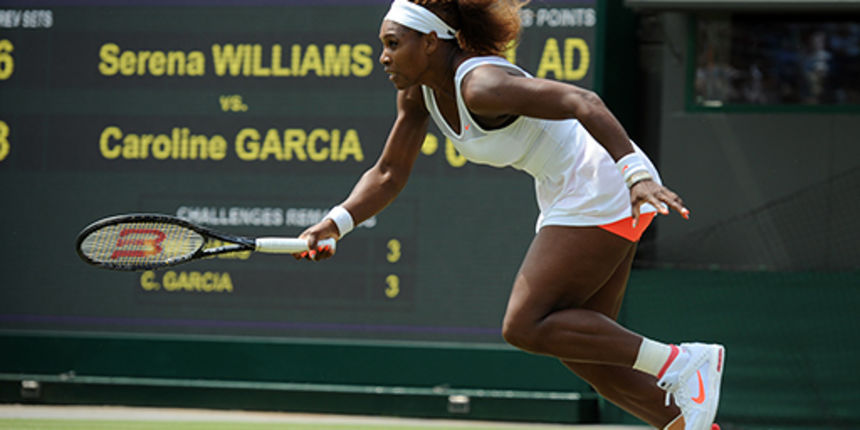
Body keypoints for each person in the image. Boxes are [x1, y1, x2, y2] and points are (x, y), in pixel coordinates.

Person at [295, 1, 725, 429]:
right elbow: (389, 173)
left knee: (524, 324)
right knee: (590, 357)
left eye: (393, 43)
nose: (383, 56)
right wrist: (338, 222)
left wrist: (636, 177)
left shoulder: (480, 86)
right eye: (382, 45)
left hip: (603, 183)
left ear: (429, 42)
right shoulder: (417, 93)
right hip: (573, 190)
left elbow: (582, 100)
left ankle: (683, 362)